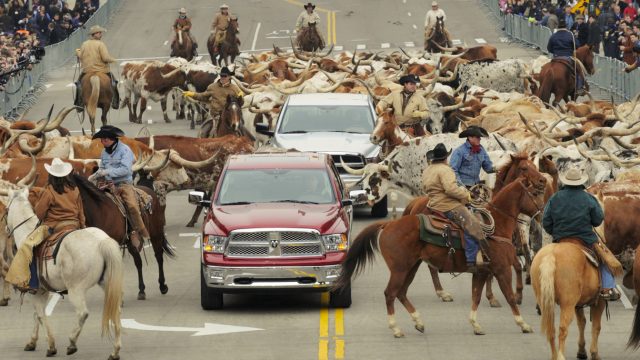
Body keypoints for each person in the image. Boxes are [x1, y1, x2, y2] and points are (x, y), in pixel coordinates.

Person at [6, 158, 86, 293]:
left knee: (27, 245)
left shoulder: (49, 191)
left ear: (51, 175)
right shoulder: (75, 190)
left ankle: (32, 283)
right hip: (74, 225)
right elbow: (81, 212)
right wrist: (83, 227)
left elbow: (39, 213)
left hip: (53, 226)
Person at [542, 167, 620, 301]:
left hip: (560, 238)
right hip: (585, 239)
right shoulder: (589, 198)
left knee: (544, 259)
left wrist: (556, 232)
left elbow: (546, 222)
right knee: (605, 258)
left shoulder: (554, 198)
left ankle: (542, 292)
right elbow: (597, 220)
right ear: (580, 182)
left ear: (565, 182)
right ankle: (607, 288)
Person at [422, 143, 488, 271]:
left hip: (433, 205)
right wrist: (467, 195)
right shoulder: (446, 169)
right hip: (448, 206)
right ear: (445, 158)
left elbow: (425, 188)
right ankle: (471, 260)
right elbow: (451, 189)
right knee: (472, 225)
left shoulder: (428, 170)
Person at [88, 125, 149, 252]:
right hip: (107, 183)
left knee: (132, 206)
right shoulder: (104, 151)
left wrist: (107, 172)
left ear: (112, 139)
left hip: (123, 184)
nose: (102, 142)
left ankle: (139, 231)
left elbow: (125, 169)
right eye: (101, 139)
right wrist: (96, 175)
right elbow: (102, 167)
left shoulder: (125, 150)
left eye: (104, 139)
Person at [182, 66, 244, 138]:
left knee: (244, 133)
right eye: (221, 76)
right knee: (203, 132)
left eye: (225, 76)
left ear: (229, 77)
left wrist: (241, 97)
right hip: (216, 116)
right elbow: (202, 96)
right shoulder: (212, 87)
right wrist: (192, 94)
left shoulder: (235, 88)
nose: (222, 77)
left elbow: (240, 104)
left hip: (231, 116)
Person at [74, 25, 119, 110]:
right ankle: (115, 101)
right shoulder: (100, 44)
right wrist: (113, 60)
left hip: (87, 71)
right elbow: (105, 58)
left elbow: (81, 56)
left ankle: (79, 103)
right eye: (99, 33)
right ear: (94, 34)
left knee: (79, 83)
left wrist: (77, 52)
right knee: (114, 82)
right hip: (102, 70)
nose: (101, 34)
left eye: (100, 33)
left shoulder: (84, 44)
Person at [547, 18, 587, 96]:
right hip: (568, 57)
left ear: (558, 27)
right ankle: (579, 88)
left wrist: (556, 53)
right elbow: (577, 45)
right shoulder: (570, 35)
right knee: (579, 70)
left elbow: (549, 48)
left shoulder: (553, 36)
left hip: (556, 57)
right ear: (566, 27)